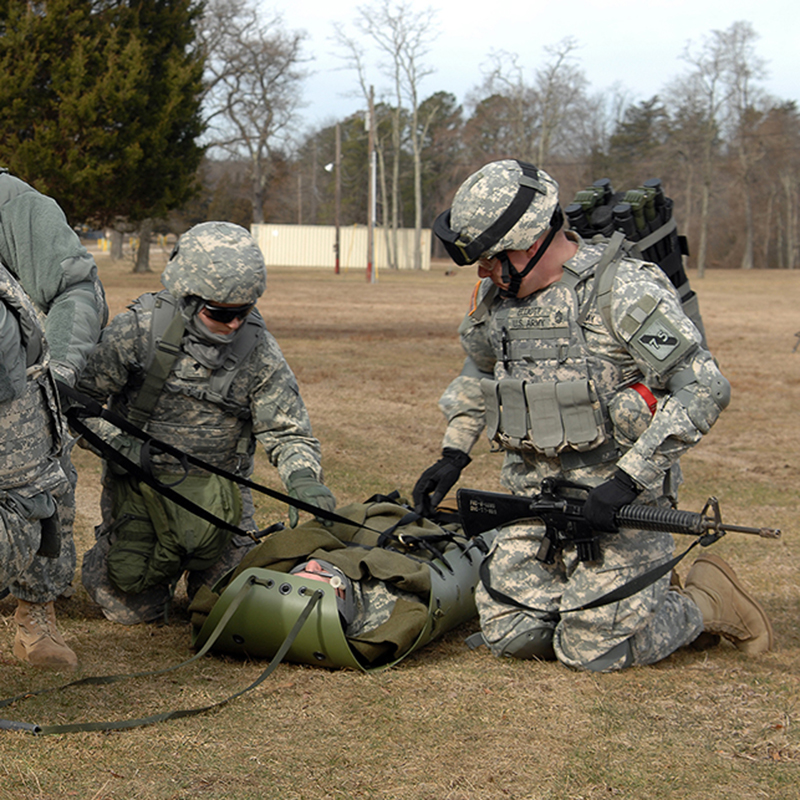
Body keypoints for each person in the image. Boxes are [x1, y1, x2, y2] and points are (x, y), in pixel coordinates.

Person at [413, 159, 773, 672]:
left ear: (530, 241)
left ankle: (706, 601)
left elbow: (704, 387)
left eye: (491, 258)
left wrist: (626, 483)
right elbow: (479, 369)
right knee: (511, 635)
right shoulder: (499, 300)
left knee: (591, 651)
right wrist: (453, 451)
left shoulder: (623, 291)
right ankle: (625, 595)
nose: (483, 271)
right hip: (534, 502)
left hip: (618, 506)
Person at [77, 221, 336, 624]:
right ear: (188, 299)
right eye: (220, 314)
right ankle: (111, 556)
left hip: (223, 502)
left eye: (243, 313)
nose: (234, 325)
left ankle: (210, 570)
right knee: (130, 611)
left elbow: (286, 429)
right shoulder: (138, 331)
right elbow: (79, 406)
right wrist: (120, 445)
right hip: (143, 493)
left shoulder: (258, 350)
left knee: (230, 611)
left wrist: (303, 478)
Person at [0, 169, 108, 669]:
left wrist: (61, 369)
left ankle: (34, 615)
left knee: (42, 491)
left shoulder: (12, 203)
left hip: (16, 391)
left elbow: (74, 288)